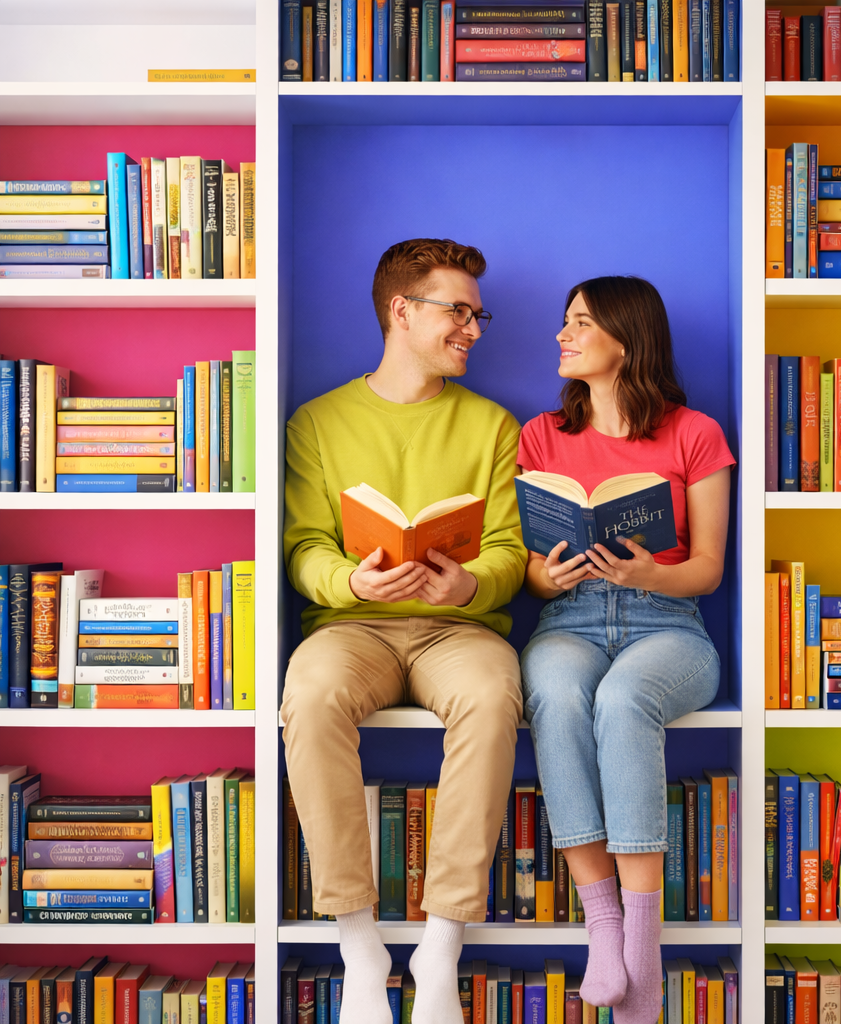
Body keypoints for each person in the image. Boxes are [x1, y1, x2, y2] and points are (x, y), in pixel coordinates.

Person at [281, 239, 527, 1024]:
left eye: (476, 314)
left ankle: (442, 944)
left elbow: (511, 552)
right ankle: (360, 945)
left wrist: (473, 582)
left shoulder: (493, 426)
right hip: (353, 625)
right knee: (312, 694)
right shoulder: (317, 422)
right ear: (401, 311)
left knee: (493, 698)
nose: (474, 328)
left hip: (458, 628)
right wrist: (350, 579)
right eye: (459, 311)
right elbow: (303, 545)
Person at [518, 276, 735, 1024]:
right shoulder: (541, 435)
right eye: (565, 320)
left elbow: (709, 565)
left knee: (622, 698)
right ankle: (602, 926)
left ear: (625, 338)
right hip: (570, 617)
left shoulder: (695, 432)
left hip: (668, 624)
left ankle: (642, 956)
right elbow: (529, 570)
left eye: (580, 322)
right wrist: (544, 577)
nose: (562, 335)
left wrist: (652, 573)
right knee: (553, 689)